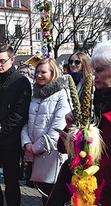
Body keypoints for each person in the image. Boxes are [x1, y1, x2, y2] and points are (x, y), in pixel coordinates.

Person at [47, 41, 111, 206]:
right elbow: (64, 149)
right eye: (93, 69)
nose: (94, 74)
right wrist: (70, 128)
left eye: (100, 70)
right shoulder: (89, 103)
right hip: (79, 188)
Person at [0, 44, 32, 206]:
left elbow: (19, 114)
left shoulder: (21, 81)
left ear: (12, 59)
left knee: (11, 181)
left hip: (9, 140)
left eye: (2, 61)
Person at [20, 58, 70, 205]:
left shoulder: (61, 94)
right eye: (37, 72)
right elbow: (26, 121)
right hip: (35, 154)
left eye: (43, 72)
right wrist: (26, 143)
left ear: (53, 73)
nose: (39, 75)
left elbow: (58, 128)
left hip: (52, 154)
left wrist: (35, 148)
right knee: (43, 195)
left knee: (53, 196)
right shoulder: (35, 94)